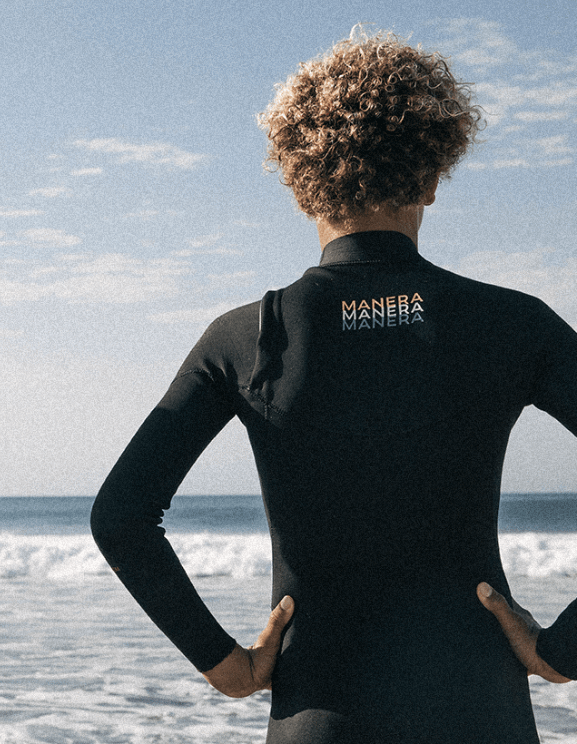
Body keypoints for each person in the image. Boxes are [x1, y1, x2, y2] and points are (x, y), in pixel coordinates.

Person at [90, 29, 575, 744]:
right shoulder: (512, 324)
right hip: (479, 711)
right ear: (432, 177)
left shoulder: (246, 337)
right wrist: (563, 650)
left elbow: (121, 517)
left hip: (316, 716)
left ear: (300, 184)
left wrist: (224, 664)